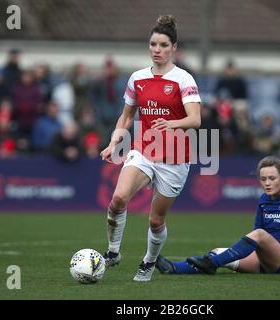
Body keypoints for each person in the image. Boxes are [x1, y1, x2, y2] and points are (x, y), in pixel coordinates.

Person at [99, 15, 201, 281]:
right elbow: (126, 116)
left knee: (156, 221)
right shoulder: (138, 78)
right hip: (144, 150)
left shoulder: (184, 79)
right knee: (119, 198)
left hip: (176, 157)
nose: (157, 49)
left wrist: (172, 123)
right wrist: (113, 143)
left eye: (163, 45)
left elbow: (195, 119)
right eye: (153, 44)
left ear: (174, 48)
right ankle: (112, 252)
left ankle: (149, 261)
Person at [156, 156, 280, 275]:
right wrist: (240, 259)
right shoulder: (263, 199)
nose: (267, 183)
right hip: (265, 261)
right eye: (263, 179)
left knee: (257, 236)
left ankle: (212, 264)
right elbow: (255, 236)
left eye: (272, 178)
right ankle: (174, 268)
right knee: (218, 251)